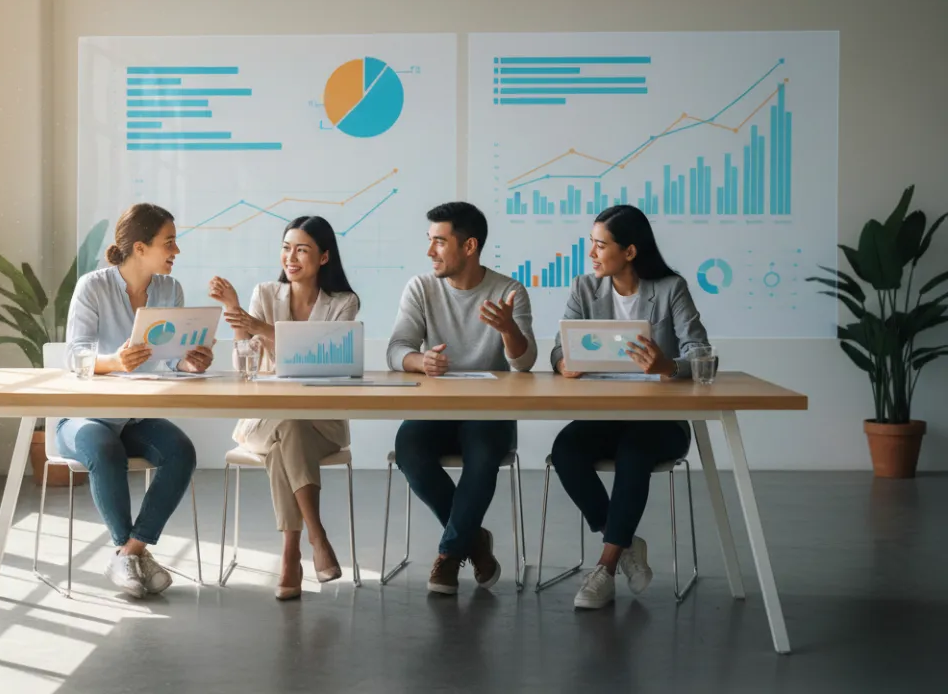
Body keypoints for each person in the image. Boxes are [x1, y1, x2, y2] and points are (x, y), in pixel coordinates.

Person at [549, 204, 711, 609]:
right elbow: (557, 348)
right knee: (566, 450)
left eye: (600, 245)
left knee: (633, 453)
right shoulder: (585, 288)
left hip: (661, 421)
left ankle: (604, 567)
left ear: (630, 252)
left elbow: (703, 354)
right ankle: (623, 541)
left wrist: (669, 366)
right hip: (605, 414)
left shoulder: (671, 288)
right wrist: (562, 363)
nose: (592, 254)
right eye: (592, 244)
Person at [58, 203, 214, 598]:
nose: (176, 251)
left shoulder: (169, 290)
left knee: (181, 450)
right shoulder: (93, 286)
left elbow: (171, 357)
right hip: (84, 419)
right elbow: (74, 357)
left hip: (133, 418)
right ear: (140, 247)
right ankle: (129, 553)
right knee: (104, 448)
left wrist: (189, 362)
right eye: (170, 243)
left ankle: (131, 551)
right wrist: (114, 361)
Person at [387, 201, 537, 595]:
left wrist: (508, 331)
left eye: (439, 241)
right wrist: (421, 361)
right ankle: (473, 540)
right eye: (430, 241)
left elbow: (523, 364)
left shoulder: (508, 291)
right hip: (436, 410)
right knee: (408, 450)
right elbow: (396, 348)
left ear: (469, 246)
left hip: (489, 412)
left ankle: (451, 554)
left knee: (484, 454)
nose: (430, 251)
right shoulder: (421, 288)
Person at [208, 216, 360, 600]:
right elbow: (246, 358)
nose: (290, 257)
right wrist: (237, 315)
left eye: (302, 249)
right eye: (286, 247)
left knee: (286, 439)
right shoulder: (265, 294)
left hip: (321, 424)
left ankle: (291, 555)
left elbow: (326, 361)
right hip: (265, 419)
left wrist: (261, 327)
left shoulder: (344, 303)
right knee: (286, 425)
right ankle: (315, 535)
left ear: (324, 257)